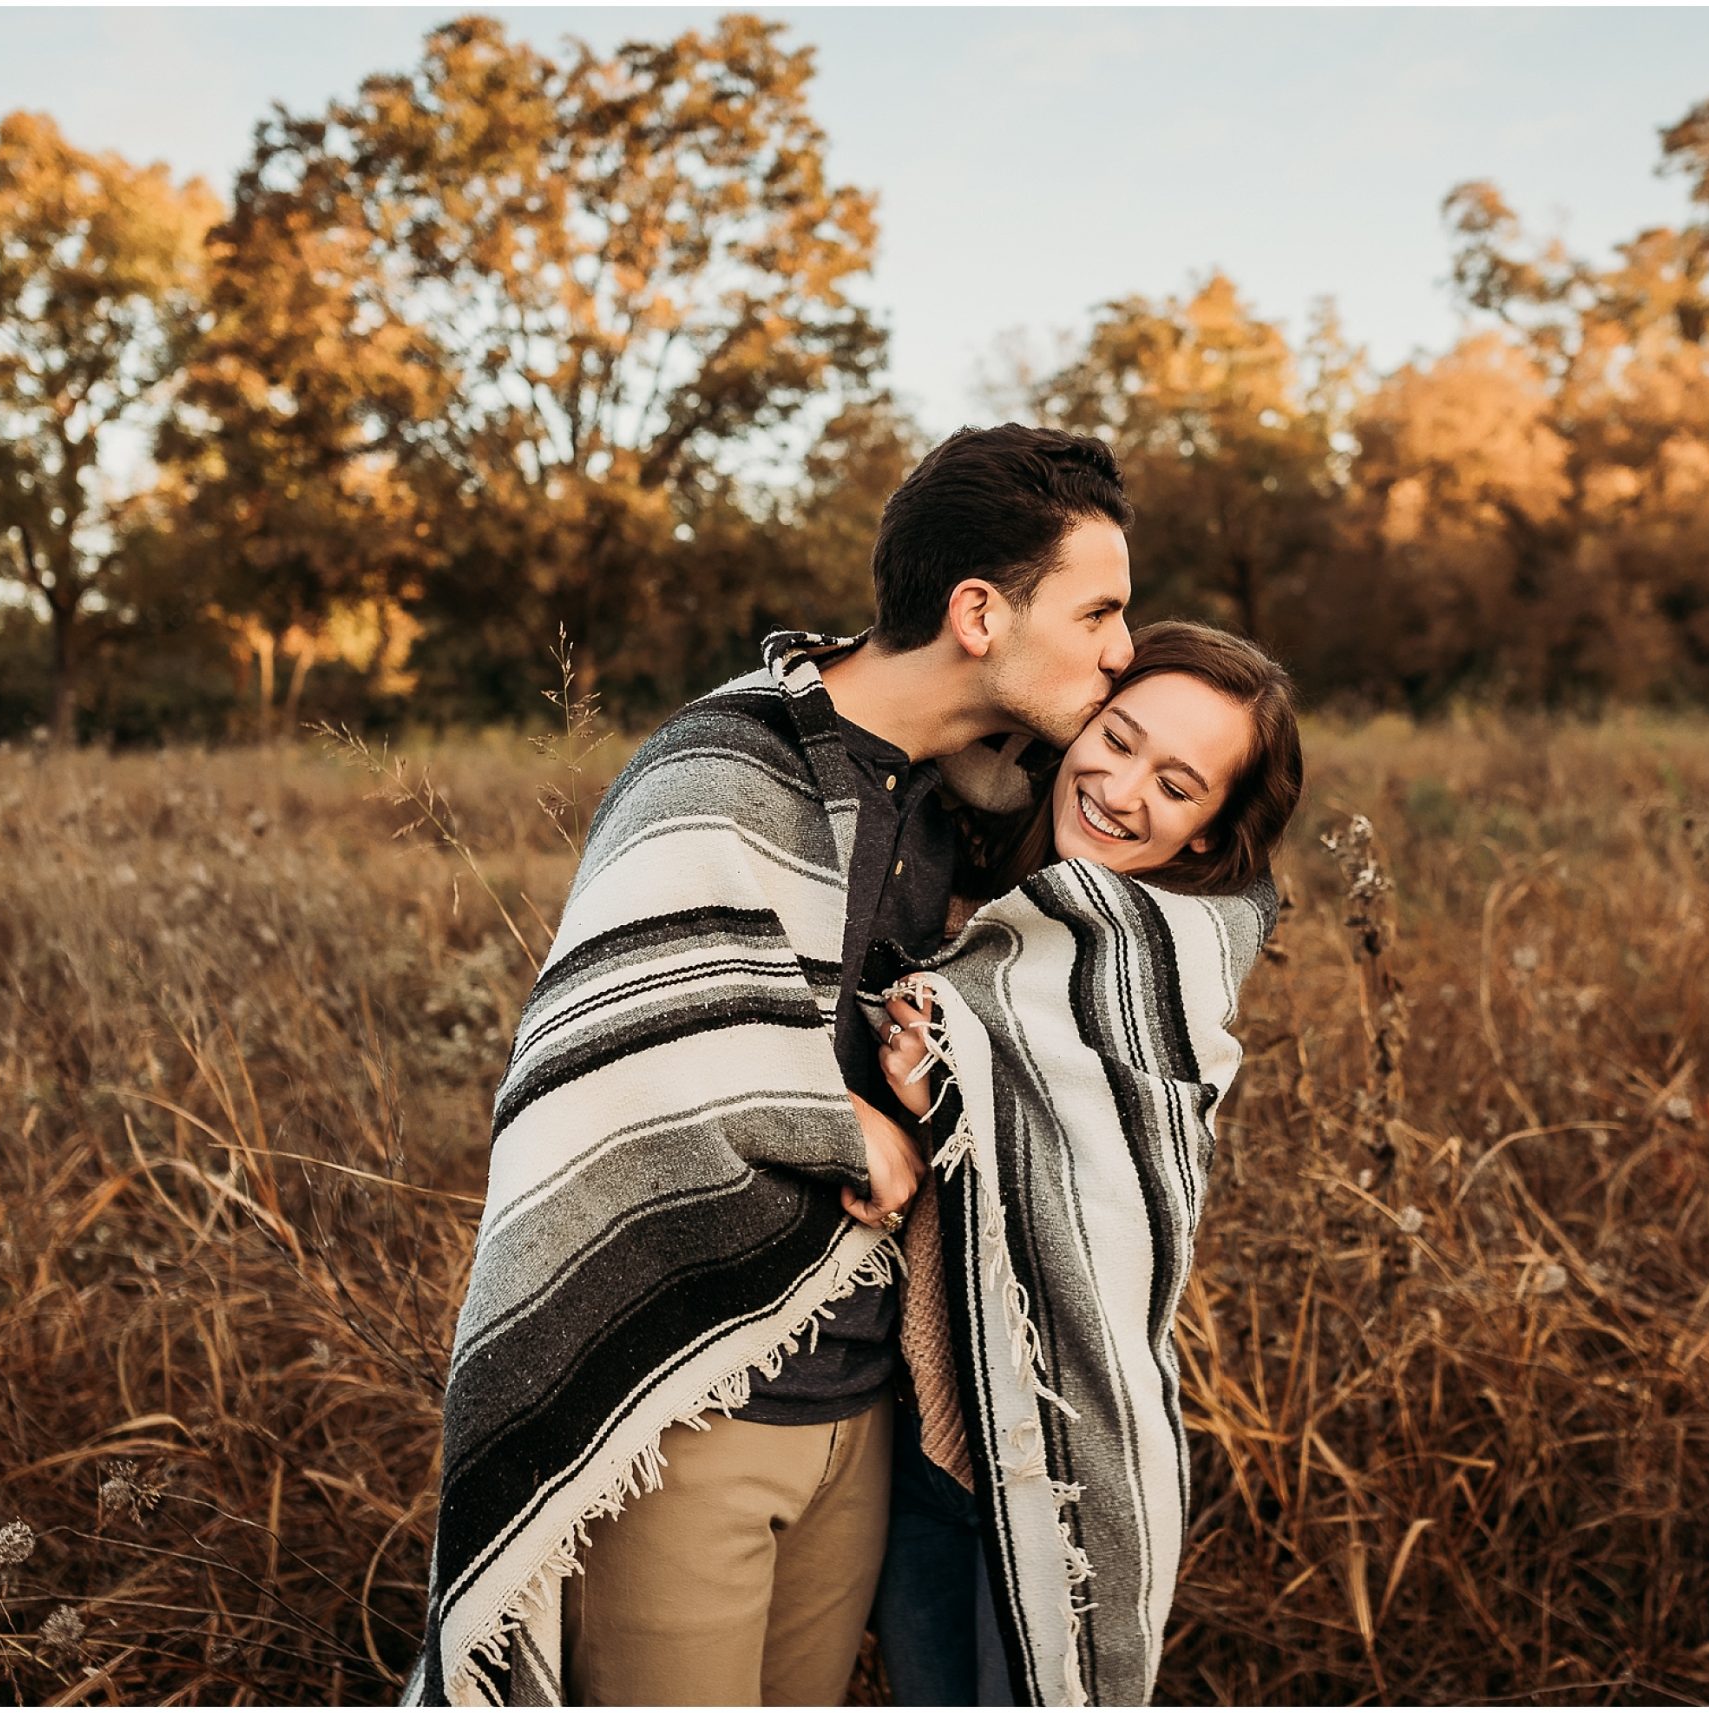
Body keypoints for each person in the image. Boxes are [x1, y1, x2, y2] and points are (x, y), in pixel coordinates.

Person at [401, 424, 1137, 1708]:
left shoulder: (960, 803)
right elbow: (615, 1052)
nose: (1120, 651)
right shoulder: (726, 768)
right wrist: (834, 1118)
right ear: (978, 612)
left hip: (857, 1414)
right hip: (692, 1404)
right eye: (1099, 613)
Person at [861, 620, 1305, 1706]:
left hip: (1050, 1446)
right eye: (1116, 737)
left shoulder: (1160, 967)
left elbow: (1102, 1185)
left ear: (1204, 836)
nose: (1120, 787)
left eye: (1177, 783)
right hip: (912, 1428)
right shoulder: (957, 883)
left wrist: (945, 1089)